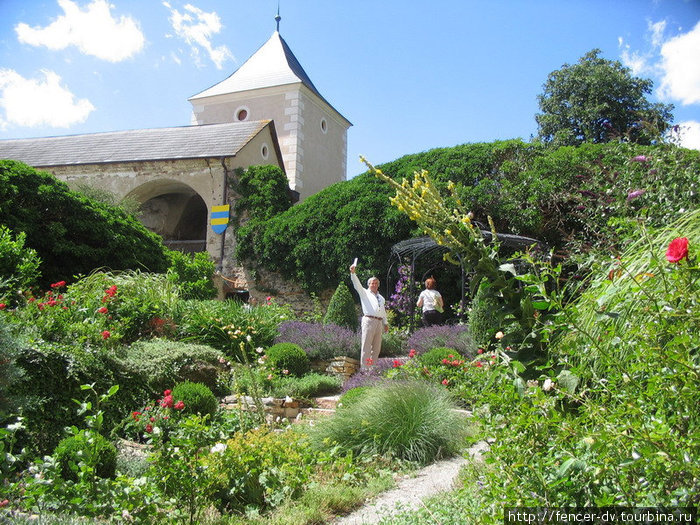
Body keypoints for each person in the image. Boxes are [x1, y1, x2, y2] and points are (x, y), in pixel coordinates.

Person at [350, 262, 388, 368]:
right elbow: (357, 285)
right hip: (369, 321)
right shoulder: (365, 293)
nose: (374, 285)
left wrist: (385, 323)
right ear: (369, 285)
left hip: (379, 322)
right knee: (366, 346)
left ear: (378, 285)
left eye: (376, 283)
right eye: (372, 283)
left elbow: (382, 310)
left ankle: (372, 368)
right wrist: (353, 274)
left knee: (376, 348)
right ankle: (364, 369)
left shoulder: (381, 298)